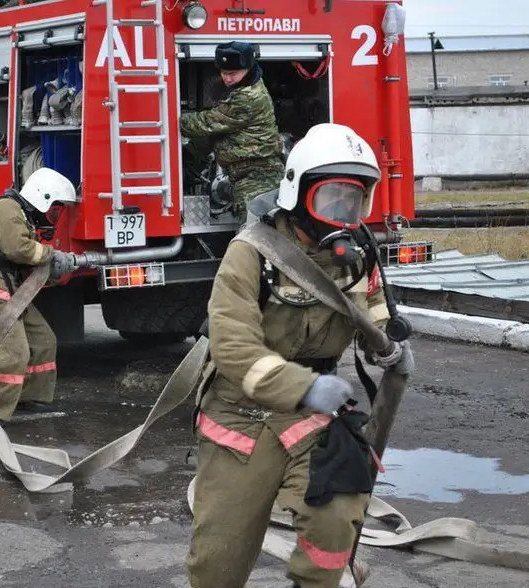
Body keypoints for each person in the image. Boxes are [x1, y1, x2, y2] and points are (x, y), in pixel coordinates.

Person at [187, 124, 414, 588]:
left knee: (336, 517)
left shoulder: (357, 256)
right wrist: (304, 387)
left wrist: (390, 342)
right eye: (331, 199)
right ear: (298, 193)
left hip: (314, 418)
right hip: (240, 415)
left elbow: (370, 309)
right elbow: (233, 347)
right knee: (218, 563)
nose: (343, 214)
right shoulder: (251, 254)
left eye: (353, 201)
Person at [0, 168, 77, 420]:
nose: (54, 213)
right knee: (12, 354)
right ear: (42, 197)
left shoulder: (21, 214)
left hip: (10, 287)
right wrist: (51, 255)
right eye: (55, 205)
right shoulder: (8, 209)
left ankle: (32, 396)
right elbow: (17, 248)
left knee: (43, 341)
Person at [180, 41, 285, 220]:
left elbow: (205, 123)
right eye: (223, 72)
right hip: (247, 175)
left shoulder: (248, 97)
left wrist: (174, 116)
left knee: (255, 236)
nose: (227, 78)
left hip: (257, 178)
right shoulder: (244, 86)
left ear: (248, 69)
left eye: (233, 73)